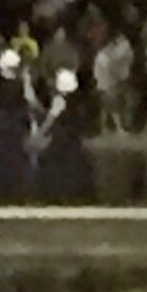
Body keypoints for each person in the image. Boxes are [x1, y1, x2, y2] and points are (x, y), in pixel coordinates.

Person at [0, 48, 39, 200]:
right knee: (17, 155)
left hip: (1, 122)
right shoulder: (23, 80)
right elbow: (31, 101)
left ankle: (1, 188)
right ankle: (17, 187)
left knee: (1, 154)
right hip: (17, 122)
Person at [37, 69, 91, 201]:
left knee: (48, 160)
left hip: (62, 137)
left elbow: (51, 118)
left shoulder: (59, 100)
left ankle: (52, 190)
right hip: (74, 136)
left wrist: (41, 132)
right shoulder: (78, 99)